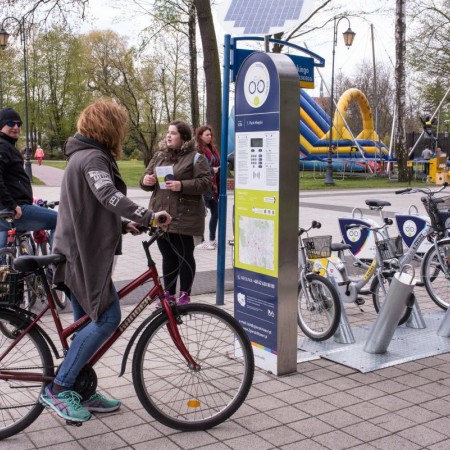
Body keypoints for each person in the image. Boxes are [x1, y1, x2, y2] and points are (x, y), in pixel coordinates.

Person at [39, 99, 171, 423]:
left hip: (78, 253)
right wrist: (150, 215)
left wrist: (125, 224)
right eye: (119, 125)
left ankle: (81, 389)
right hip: (80, 258)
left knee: (88, 324)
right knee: (108, 319)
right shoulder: (94, 157)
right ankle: (58, 389)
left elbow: (94, 206)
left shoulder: (83, 155)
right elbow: (108, 196)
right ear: (109, 127)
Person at [140, 119, 211, 306]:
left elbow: (205, 182)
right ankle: (169, 294)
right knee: (167, 256)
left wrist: (182, 185)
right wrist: (145, 181)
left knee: (184, 256)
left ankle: (185, 294)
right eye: (168, 132)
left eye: (173, 133)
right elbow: (146, 179)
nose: (168, 136)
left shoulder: (196, 157)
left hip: (185, 217)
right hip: (161, 215)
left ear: (184, 137)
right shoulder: (159, 156)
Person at [0, 107, 57, 254]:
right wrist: (12, 204)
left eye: (19, 124)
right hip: (15, 210)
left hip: (11, 209)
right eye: (11, 123)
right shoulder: (3, 147)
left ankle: (10, 272)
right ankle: (57, 269)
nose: (16, 127)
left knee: (10, 241)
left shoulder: (7, 146)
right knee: (63, 220)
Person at [195, 125, 220, 250]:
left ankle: (212, 239)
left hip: (213, 186)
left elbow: (218, 163)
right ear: (200, 136)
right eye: (207, 135)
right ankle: (201, 240)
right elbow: (197, 168)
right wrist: (211, 170)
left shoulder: (213, 149)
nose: (209, 137)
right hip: (204, 186)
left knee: (216, 213)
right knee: (201, 214)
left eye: (210, 135)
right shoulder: (198, 151)